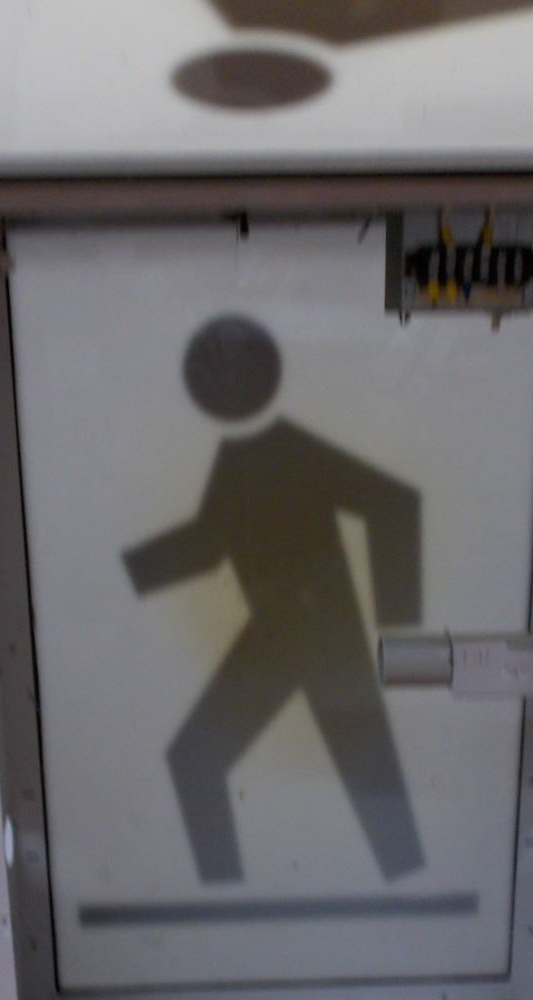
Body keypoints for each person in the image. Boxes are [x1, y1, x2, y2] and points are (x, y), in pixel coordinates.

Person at [124, 315, 425, 883]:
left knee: (366, 772)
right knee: (199, 760)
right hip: (282, 631)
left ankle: (409, 891)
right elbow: (211, 544)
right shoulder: (244, 454)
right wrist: (131, 569)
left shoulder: (285, 447)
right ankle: (224, 895)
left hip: (320, 634)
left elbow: (395, 502)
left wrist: (398, 624)